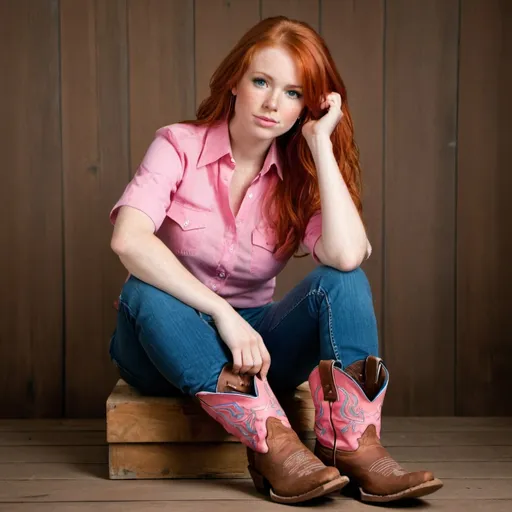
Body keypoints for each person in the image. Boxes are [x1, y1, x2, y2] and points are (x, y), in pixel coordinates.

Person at [108, 16, 442, 505]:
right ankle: (274, 445)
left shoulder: (298, 173)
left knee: (342, 282)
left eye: (293, 92)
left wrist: (320, 143)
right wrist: (222, 315)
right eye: (262, 82)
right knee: (143, 290)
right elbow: (129, 240)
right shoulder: (177, 144)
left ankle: (353, 447)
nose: (272, 103)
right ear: (234, 82)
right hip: (160, 342)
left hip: (256, 354)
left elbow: (347, 255)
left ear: (309, 104)